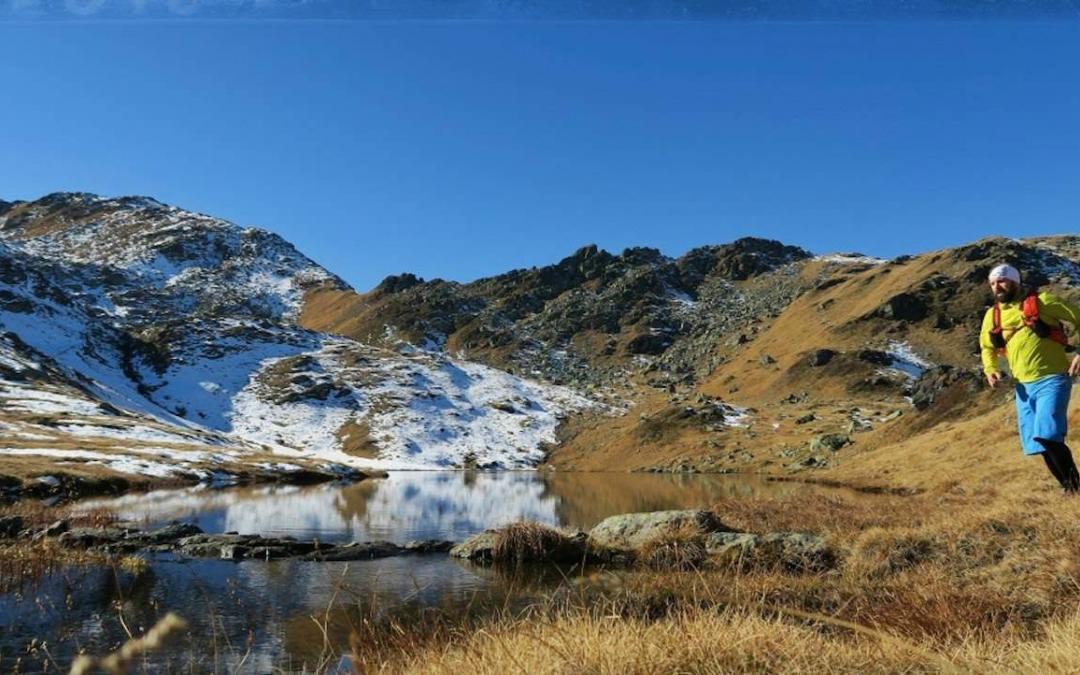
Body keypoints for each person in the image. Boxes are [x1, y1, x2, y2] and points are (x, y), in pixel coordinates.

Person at [980, 263, 1080, 492]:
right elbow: (986, 346)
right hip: (1022, 388)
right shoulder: (992, 315)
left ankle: (1075, 486)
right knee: (1039, 442)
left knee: (1048, 434)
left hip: (1052, 379)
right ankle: (1070, 489)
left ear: (1016, 281)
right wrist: (991, 369)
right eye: (993, 283)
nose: (998, 287)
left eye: (1002, 281)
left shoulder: (1044, 301)